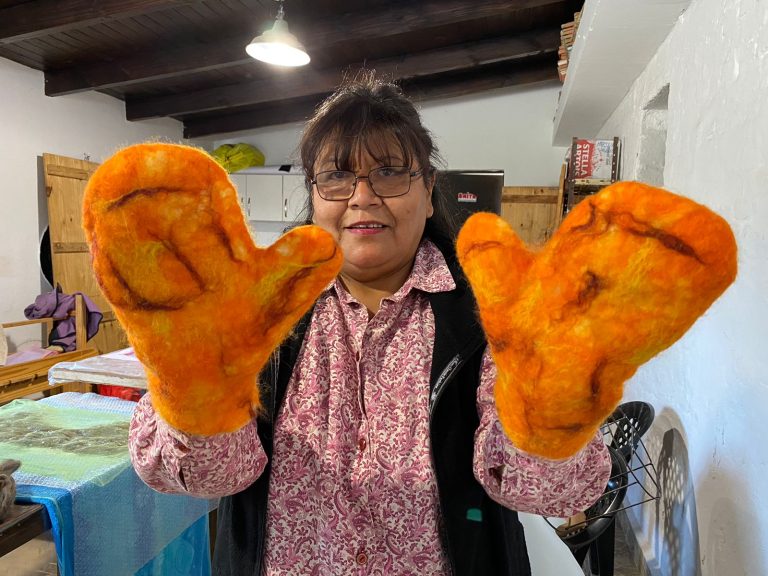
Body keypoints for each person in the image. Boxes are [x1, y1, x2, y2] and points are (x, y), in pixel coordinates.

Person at [129, 74, 611, 576]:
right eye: (337, 176)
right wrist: (195, 383)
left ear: (429, 191)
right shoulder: (258, 311)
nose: (362, 195)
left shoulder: (490, 315)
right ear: (314, 196)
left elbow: (548, 491)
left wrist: (552, 401)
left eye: (389, 172)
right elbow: (208, 476)